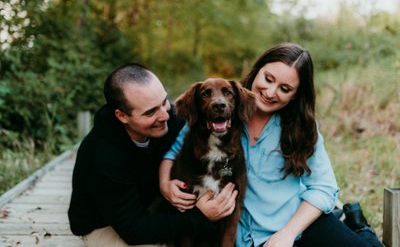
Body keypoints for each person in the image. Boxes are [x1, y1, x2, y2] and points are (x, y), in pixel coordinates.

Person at [160, 43, 384, 247]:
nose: (270, 92)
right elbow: (174, 151)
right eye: (268, 79)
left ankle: (360, 228)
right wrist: (165, 185)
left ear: (295, 96)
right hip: (242, 237)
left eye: (285, 89)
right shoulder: (219, 115)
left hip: (296, 228)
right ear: (257, 70)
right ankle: (358, 224)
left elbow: (324, 187)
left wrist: (287, 234)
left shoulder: (300, 128)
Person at [68, 63, 238, 247]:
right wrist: (199, 216)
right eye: (150, 112)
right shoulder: (100, 156)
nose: (165, 115)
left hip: (156, 208)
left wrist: (166, 183)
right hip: (107, 224)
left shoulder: (169, 116)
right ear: (122, 116)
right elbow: (133, 230)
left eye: (164, 102)